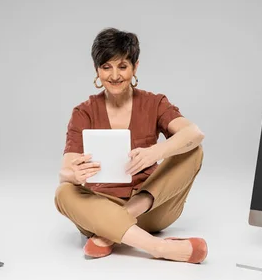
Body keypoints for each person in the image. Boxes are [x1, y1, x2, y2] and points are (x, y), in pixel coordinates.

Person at [54, 27, 207, 264]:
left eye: (122, 66)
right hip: (102, 208)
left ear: (135, 67)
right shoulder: (83, 112)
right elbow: (65, 171)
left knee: (192, 149)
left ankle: (111, 230)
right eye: (106, 67)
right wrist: (74, 174)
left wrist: (155, 152)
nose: (115, 75)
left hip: (151, 208)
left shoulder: (154, 103)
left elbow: (194, 133)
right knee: (63, 192)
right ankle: (158, 247)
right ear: (97, 70)